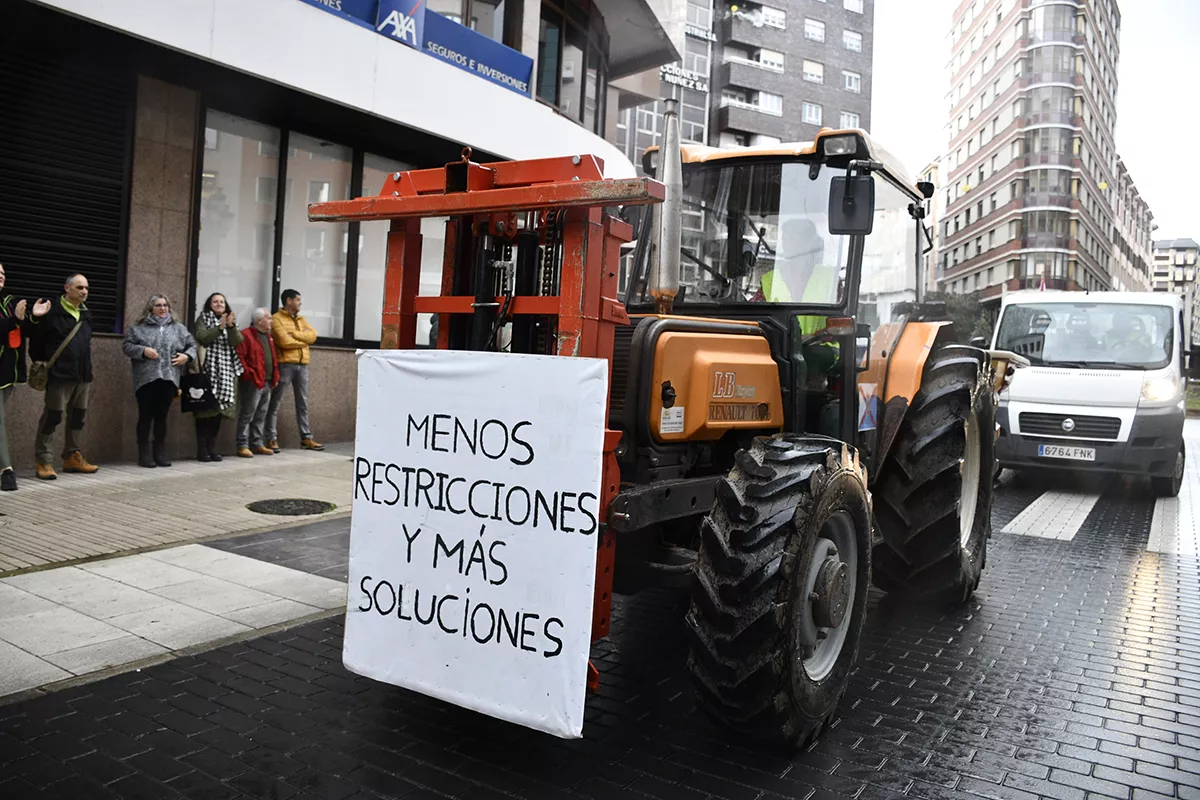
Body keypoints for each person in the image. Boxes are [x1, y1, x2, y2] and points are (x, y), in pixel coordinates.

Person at [27, 273, 98, 480]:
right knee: (53, 416)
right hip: (59, 375)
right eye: (79, 287)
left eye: (86, 288)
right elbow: (36, 342)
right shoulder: (52, 312)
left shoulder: (85, 313)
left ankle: (72, 456)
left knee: (78, 418)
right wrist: (46, 365)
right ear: (67, 288)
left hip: (83, 375)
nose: (84, 291)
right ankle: (43, 460)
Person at [122, 294, 196, 468]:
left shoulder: (179, 328)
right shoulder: (138, 328)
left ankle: (160, 452)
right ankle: (144, 453)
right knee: (145, 415)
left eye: (165, 305)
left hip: (169, 378)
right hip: (146, 379)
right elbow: (127, 346)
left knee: (162, 416)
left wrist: (186, 356)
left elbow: (192, 345)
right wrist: (143, 350)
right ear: (150, 308)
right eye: (158, 305)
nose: (162, 308)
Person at [0, 263, 49, 491]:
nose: (1, 277)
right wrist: (15, 321)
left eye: (2, 273)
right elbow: (8, 326)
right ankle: (6, 470)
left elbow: (22, 329)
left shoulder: (10, 302)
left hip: (7, 372)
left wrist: (34, 318)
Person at [266, 288, 323, 451]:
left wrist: (296, 335)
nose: (300, 303)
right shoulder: (276, 319)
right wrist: (304, 340)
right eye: (298, 300)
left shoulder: (301, 319)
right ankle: (271, 438)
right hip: (285, 364)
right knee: (275, 401)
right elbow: (284, 341)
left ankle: (306, 438)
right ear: (289, 301)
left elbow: (313, 336)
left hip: (302, 364)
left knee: (303, 402)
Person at [192, 292, 244, 462]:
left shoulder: (230, 321)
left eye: (222, 301)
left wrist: (230, 327)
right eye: (215, 301)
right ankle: (201, 450)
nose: (219, 304)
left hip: (226, 372)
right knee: (204, 412)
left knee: (217, 414)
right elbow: (202, 337)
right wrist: (219, 328)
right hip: (207, 370)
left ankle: (212, 448)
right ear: (209, 304)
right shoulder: (203, 319)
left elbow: (237, 341)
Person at [234, 307, 280, 458]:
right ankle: (242, 444)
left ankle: (257, 443)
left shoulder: (268, 336)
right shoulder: (246, 335)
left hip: (267, 380)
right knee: (248, 413)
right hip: (253, 381)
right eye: (269, 318)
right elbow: (240, 357)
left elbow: (272, 357)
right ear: (259, 321)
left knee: (261, 413)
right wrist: (250, 374)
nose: (271, 321)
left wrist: (275, 375)